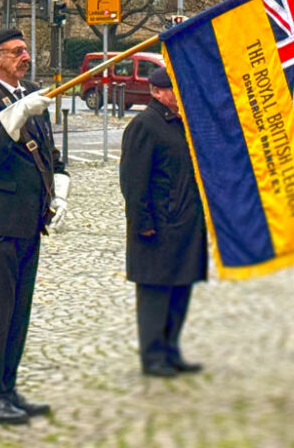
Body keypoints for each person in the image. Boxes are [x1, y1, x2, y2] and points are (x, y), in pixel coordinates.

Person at [0, 27, 67, 426]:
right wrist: (18, 113)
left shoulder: (29, 93)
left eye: (26, 50)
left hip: (28, 220)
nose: (25, 56)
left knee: (19, 311)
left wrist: (59, 193)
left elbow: (48, 153)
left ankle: (9, 387)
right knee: (0, 310)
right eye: (16, 52)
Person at [119, 66, 208, 377]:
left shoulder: (181, 123)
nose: (180, 94)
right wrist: (142, 222)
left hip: (186, 223)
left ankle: (171, 350)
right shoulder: (145, 125)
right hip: (158, 227)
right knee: (156, 293)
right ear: (157, 92)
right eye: (174, 89)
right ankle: (153, 355)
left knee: (180, 289)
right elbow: (133, 180)